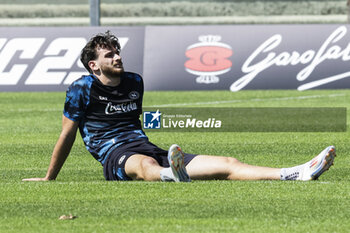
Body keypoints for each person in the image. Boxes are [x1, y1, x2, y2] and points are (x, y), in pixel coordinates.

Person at [23, 31, 336, 183]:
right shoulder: (81, 88)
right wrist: (50, 178)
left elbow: (136, 123)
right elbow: (66, 136)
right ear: (94, 65)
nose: (117, 57)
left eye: (117, 52)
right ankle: (170, 174)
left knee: (227, 162)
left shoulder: (134, 81)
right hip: (114, 153)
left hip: (146, 145)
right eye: (109, 55)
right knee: (143, 165)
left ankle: (294, 173)